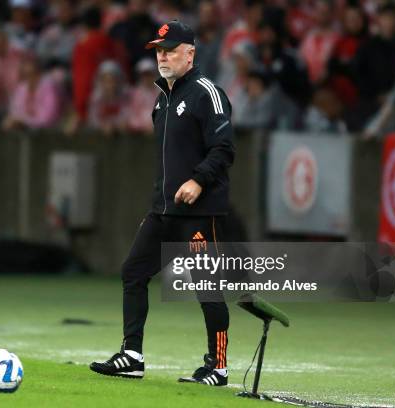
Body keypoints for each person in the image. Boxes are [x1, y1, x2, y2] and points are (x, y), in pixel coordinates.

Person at [89, 21, 235, 386]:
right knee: (133, 272)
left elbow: (224, 149)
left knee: (207, 287)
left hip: (199, 211)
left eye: (170, 49)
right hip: (163, 209)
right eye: (158, 50)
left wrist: (198, 181)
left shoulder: (207, 93)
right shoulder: (162, 98)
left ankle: (218, 367)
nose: (163, 56)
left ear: (190, 53)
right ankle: (132, 355)